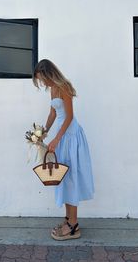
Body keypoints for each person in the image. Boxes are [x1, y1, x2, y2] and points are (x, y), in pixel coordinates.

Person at [32, 59, 95, 241]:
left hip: (70, 136)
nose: (43, 83)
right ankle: (68, 220)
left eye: (42, 79)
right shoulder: (52, 89)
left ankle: (73, 225)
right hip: (61, 136)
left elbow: (69, 117)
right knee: (65, 178)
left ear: (49, 73)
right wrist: (43, 132)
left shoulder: (64, 86)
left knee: (71, 177)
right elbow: (53, 113)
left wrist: (57, 138)